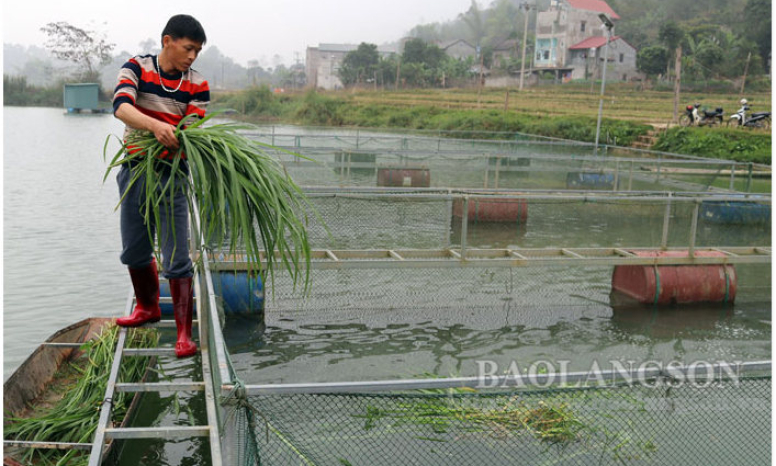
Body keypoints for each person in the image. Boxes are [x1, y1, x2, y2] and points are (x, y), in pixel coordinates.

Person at [112, 14, 210, 358]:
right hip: (136, 169)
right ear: (167, 40)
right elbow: (122, 107)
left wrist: (178, 138)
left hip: (172, 174)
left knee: (177, 255)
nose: (192, 56)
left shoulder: (197, 84)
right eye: (188, 48)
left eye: (197, 51)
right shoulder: (136, 68)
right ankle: (147, 308)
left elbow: (194, 130)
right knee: (134, 248)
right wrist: (155, 126)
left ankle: (185, 332)